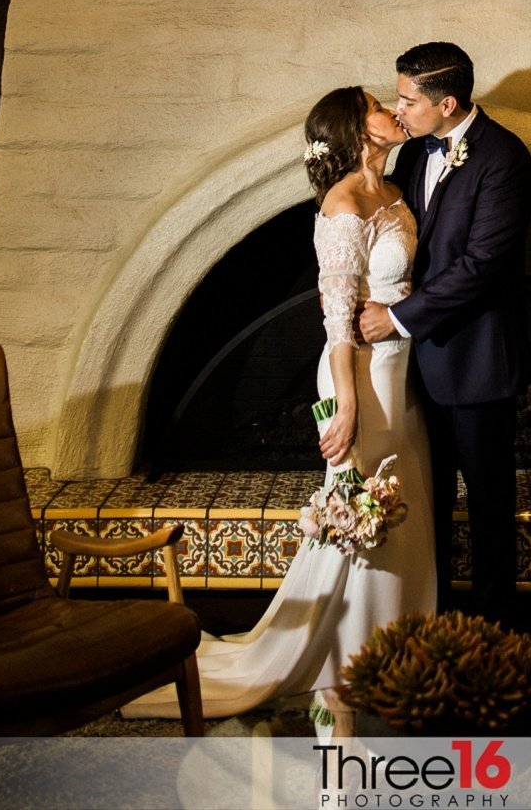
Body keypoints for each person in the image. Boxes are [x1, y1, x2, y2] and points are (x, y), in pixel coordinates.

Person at [124, 86, 434, 719]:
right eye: (378, 104)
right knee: (360, 512)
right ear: (357, 129)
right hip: (360, 376)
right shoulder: (343, 206)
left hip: (401, 374)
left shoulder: (396, 193)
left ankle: (396, 644)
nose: (391, 111)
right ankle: (346, 655)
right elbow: (338, 322)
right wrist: (347, 407)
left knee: (405, 506)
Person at [359, 42, 531, 630]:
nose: (399, 109)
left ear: (448, 102)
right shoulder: (411, 157)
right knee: (425, 498)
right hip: (412, 364)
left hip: (477, 360)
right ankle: (427, 616)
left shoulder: (504, 157)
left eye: (408, 100)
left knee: (488, 505)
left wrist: (399, 317)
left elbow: (484, 264)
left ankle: (492, 632)